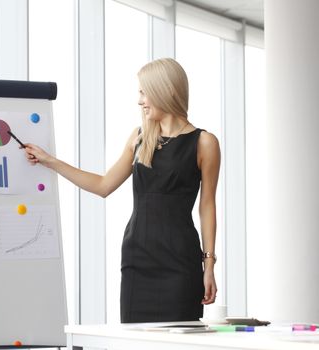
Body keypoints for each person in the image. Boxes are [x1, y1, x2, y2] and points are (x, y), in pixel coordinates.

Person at [24, 58, 220, 323]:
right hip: (137, 258)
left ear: (167, 90)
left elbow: (207, 205)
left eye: (144, 91)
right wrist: (51, 162)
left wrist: (208, 265)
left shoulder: (204, 143)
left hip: (180, 263)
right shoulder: (140, 138)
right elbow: (104, 185)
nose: (140, 101)